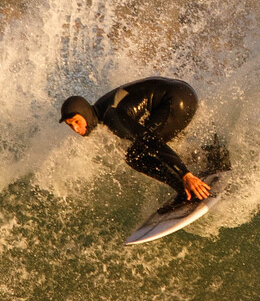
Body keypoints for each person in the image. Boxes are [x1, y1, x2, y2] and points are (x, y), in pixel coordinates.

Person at [59, 76, 214, 210]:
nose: (76, 129)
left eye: (77, 122)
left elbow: (151, 141)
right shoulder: (100, 109)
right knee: (142, 149)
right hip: (180, 93)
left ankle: (186, 188)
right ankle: (209, 155)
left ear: (85, 113)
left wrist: (185, 174)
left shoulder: (112, 117)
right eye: (70, 125)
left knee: (136, 155)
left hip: (176, 101)